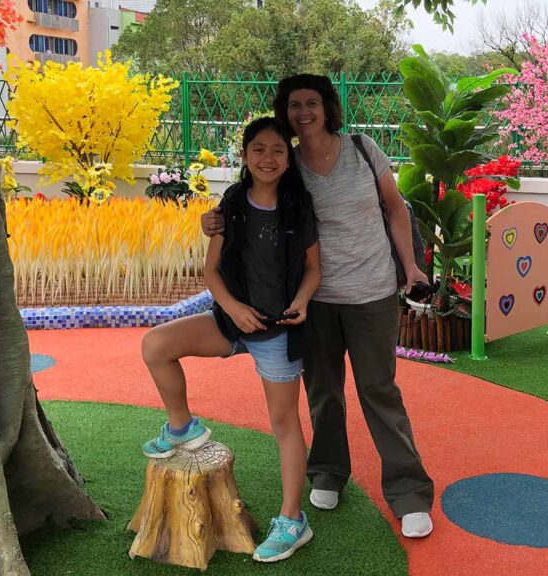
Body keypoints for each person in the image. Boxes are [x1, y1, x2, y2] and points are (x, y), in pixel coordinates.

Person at [203, 74, 435, 538]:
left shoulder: (362, 149)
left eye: (312, 102)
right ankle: (328, 470)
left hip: (371, 293)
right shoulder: (286, 165)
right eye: (294, 105)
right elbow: (252, 200)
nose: (303, 112)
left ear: (328, 107)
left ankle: (409, 491)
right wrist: (214, 219)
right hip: (315, 301)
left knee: (379, 391)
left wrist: (410, 267)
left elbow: (394, 208)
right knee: (323, 389)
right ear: (284, 112)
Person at [140, 117, 321, 563]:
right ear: (244, 156)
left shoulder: (299, 206)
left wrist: (301, 300)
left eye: (278, 149)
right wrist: (234, 310)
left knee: (285, 423)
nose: (268, 158)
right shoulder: (232, 202)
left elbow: (314, 269)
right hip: (230, 321)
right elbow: (212, 271)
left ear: (289, 156)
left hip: (279, 328)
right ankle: (183, 428)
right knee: (156, 346)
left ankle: (293, 519)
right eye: (258, 149)